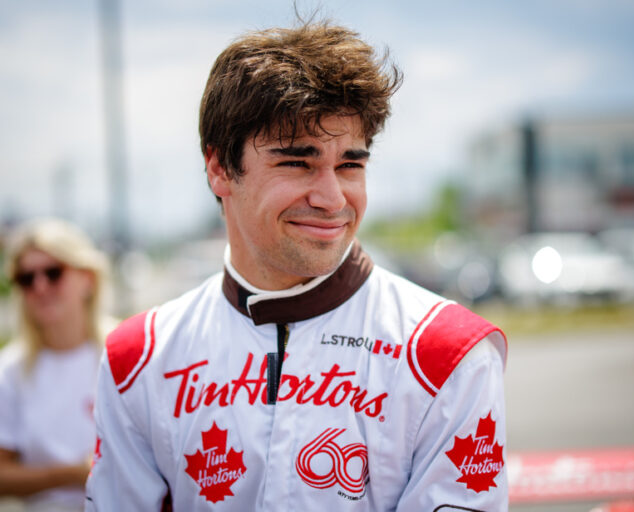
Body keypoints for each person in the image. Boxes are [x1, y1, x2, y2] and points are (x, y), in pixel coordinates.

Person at [86, 21, 508, 511]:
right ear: (220, 168)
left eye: (350, 165)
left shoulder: (448, 354)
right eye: (297, 163)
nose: (332, 199)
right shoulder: (138, 359)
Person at [0, 218, 110, 512]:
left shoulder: (123, 353)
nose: (39, 286)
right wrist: (71, 474)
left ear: (87, 279)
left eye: (53, 272)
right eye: (26, 278)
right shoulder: (10, 372)